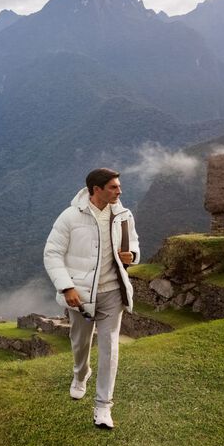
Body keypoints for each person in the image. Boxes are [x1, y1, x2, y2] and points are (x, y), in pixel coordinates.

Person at [43, 168, 140, 429]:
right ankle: (81, 374)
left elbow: (133, 244)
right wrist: (67, 288)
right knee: (80, 342)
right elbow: (52, 253)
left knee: (109, 346)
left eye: (118, 186)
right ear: (96, 190)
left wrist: (132, 255)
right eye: (113, 187)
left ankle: (103, 406)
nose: (119, 191)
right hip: (81, 295)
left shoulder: (123, 215)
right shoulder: (70, 217)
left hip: (113, 293)